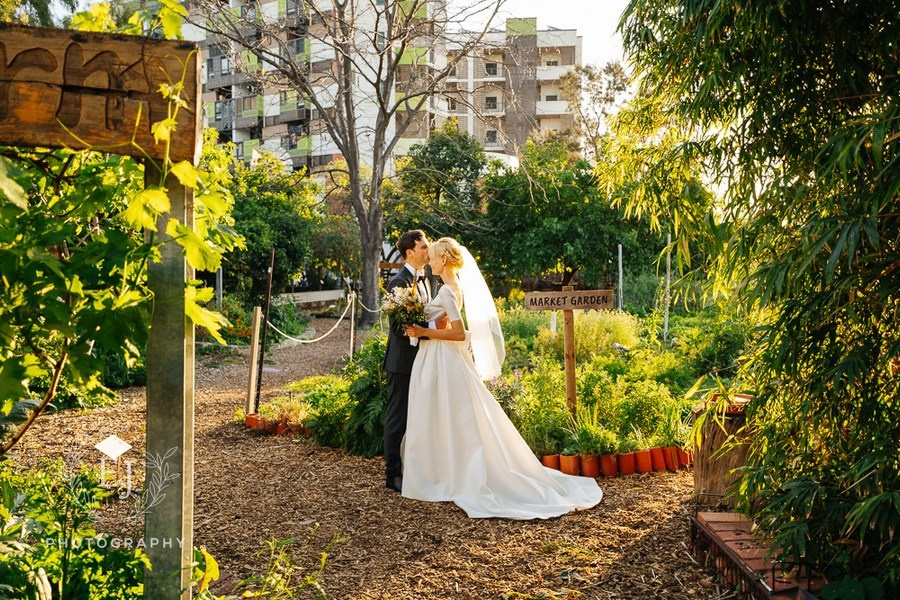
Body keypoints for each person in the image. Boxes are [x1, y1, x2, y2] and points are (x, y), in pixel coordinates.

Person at [401, 237, 603, 519]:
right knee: (453, 417)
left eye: (434, 257)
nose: (430, 261)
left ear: (443, 260)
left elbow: (459, 333)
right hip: (442, 358)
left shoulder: (448, 291)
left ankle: (452, 476)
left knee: (453, 415)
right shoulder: (450, 288)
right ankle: (447, 472)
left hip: (445, 359)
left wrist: (425, 332)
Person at [382, 230, 441, 493]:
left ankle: (415, 469)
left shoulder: (426, 280)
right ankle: (392, 474)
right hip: (402, 362)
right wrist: (432, 326)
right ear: (410, 252)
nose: (428, 251)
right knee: (398, 419)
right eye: (424, 247)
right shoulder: (398, 282)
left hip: (423, 359)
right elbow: (398, 327)